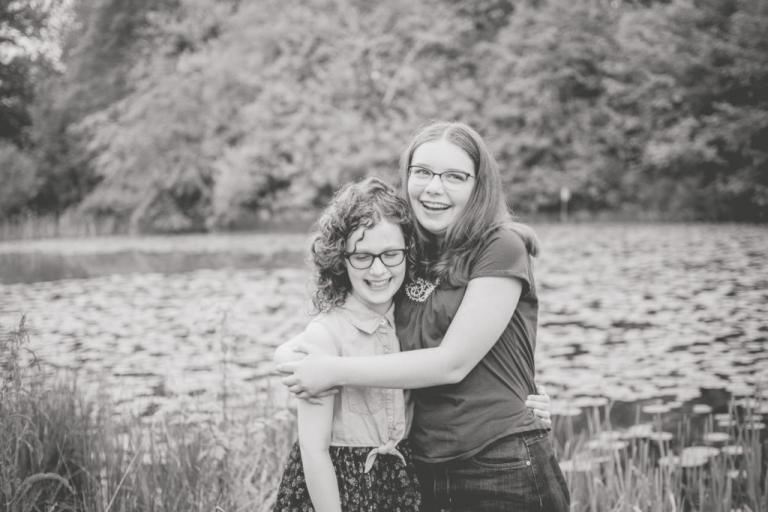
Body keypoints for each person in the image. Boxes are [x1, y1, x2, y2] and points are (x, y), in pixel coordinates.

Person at [276, 121, 568, 511]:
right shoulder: (405, 252)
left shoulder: (500, 246)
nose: (434, 187)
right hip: (424, 469)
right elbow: (322, 337)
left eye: (454, 176)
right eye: (423, 172)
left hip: (500, 461)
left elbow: (453, 362)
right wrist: (291, 361)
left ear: (479, 185)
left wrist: (332, 370)